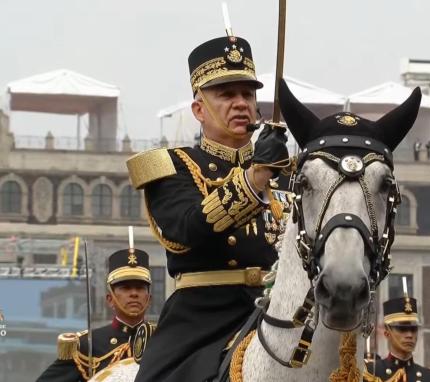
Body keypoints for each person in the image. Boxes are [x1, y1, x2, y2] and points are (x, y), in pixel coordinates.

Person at [127, 34, 290, 382]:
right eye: (227, 95)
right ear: (199, 109)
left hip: (281, 311)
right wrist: (255, 176)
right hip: (203, 316)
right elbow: (187, 227)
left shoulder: (288, 174)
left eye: (247, 94)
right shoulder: (171, 166)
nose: (241, 103)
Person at [36, 248, 154, 381]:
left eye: (140, 288)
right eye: (125, 288)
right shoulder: (87, 345)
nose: (134, 293)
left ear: (149, 299)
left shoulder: (163, 340)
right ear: (110, 299)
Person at [363, 295, 430, 382]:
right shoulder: (370, 373)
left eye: (413, 329)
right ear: (387, 333)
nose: (409, 335)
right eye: (402, 329)